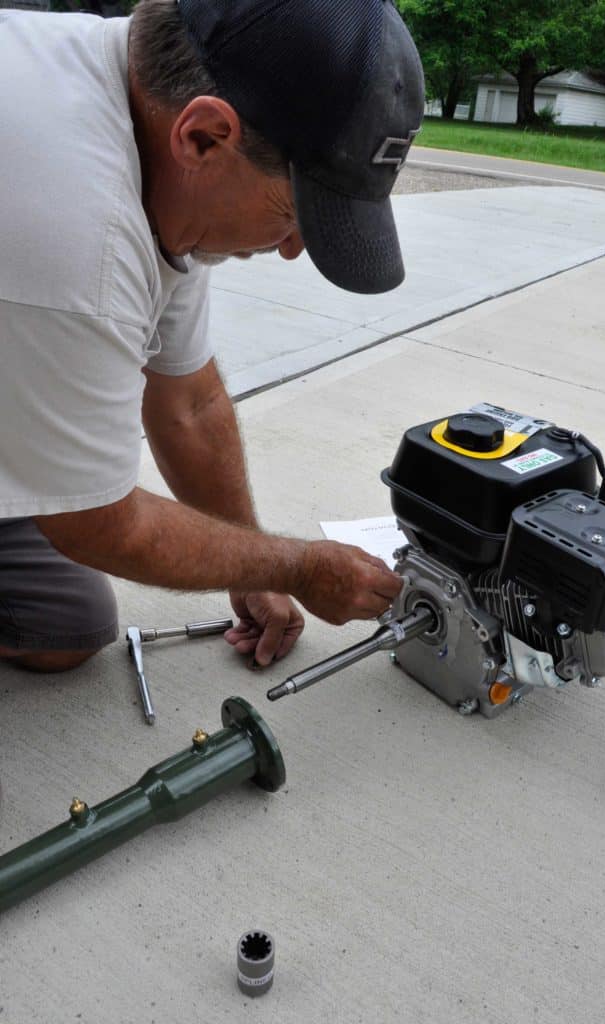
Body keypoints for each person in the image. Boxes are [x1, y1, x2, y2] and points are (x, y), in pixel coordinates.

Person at [0, 0, 424, 673]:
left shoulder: (151, 126)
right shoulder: (79, 233)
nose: (291, 249)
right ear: (203, 137)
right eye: (293, 214)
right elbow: (97, 523)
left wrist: (252, 567)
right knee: (61, 629)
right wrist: (300, 566)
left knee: (63, 619)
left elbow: (188, 404)